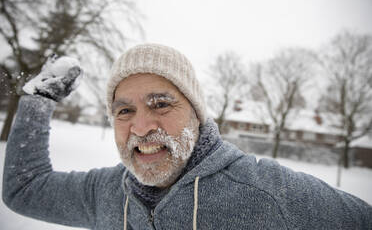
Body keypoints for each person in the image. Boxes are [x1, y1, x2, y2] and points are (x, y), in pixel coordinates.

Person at [2, 43, 372, 230]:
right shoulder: (108, 193)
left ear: (196, 114)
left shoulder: (270, 195)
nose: (141, 127)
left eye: (161, 104)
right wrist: (39, 102)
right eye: (124, 110)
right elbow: (25, 189)